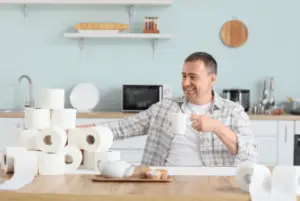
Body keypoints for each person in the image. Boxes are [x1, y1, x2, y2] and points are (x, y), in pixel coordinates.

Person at [79, 52, 257, 166]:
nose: (185, 83)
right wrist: (79, 132)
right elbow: (122, 127)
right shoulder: (164, 108)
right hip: (164, 183)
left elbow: (249, 154)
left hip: (211, 185)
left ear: (212, 79)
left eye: (193, 77)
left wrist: (217, 127)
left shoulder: (233, 112)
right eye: (184, 76)